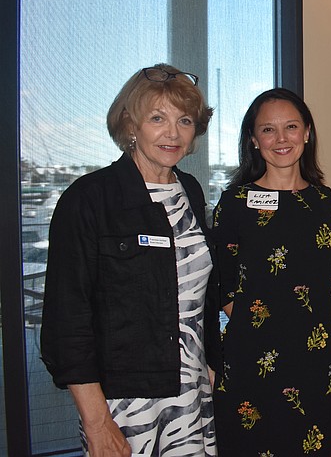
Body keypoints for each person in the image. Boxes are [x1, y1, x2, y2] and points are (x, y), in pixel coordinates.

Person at [41, 64, 219, 456]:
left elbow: (198, 295)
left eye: (184, 120)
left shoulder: (189, 191)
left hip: (191, 392)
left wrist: (209, 365)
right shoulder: (89, 199)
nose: (173, 133)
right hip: (125, 404)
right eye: (157, 118)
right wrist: (97, 422)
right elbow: (66, 320)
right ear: (130, 124)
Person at [211, 88, 331, 456]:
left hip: (314, 360)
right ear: (253, 140)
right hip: (251, 361)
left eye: (290, 126)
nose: (281, 138)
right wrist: (260, 331)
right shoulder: (234, 203)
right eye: (268, 130)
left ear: (307, 132)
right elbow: (221, 285)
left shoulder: (322, 200)